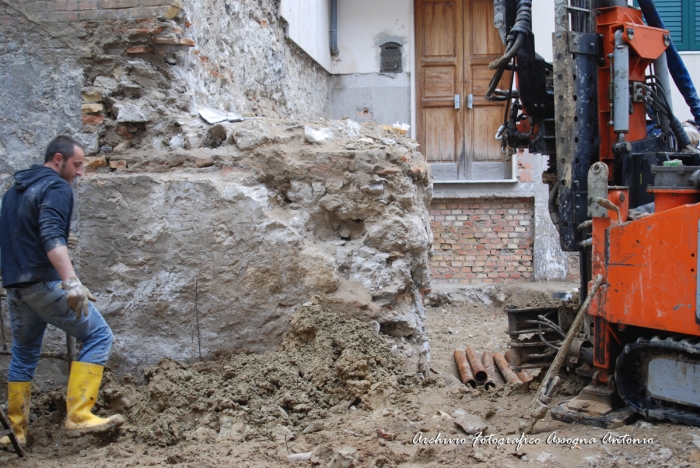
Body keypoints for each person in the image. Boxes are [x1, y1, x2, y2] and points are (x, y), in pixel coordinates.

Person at [0, 135, 124, 446]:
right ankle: (79, 415)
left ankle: (15, 432)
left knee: (24, 354)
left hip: (15, 287)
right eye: (77, 164)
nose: (80, 171)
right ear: (58, 159)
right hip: (43, 283)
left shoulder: (13, 192)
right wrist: (71, 281)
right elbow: (52, 236)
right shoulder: (56, 187)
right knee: (99, 335)